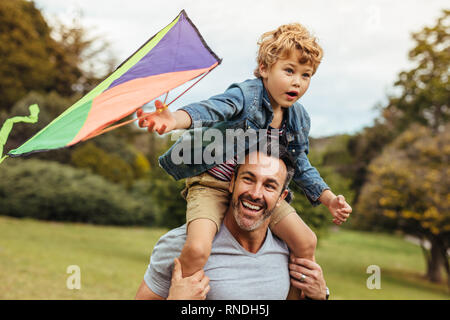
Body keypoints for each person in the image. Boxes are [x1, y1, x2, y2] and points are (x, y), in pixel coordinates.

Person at [137, 23, 352, 278]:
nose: (297, 82)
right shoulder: (246, 95)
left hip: (258, 192)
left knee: (306, 242)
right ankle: (178, 293)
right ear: (264, 69)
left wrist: (328, 198)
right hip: (214, 183)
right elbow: (213, 109)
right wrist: (175, 119)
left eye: (305, 75)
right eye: (289, 70)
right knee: (197, 248)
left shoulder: (298, 118)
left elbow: (301, 162)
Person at [135, 144, 328, 300]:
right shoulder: (182, 245)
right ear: (232, 181)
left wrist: (319, 297)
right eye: (248, 179)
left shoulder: (289, 248)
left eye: (269, 186)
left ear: (281, 197)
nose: (255, 193)